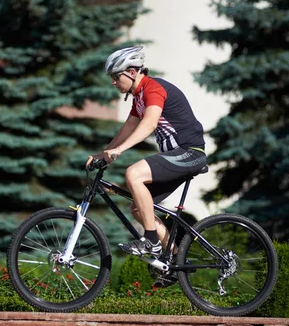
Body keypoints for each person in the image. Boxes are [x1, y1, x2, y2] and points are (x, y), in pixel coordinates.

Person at [86, 46, 207, 286]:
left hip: (189, 153)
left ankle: (150, 240)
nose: (113, 82)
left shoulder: (153, 88)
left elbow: (150, 123)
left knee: (134, 173)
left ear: (131, 72)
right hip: (177, 156)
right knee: (139, 209)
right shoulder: (138, 98)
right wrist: (104, 152)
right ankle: (174, 258)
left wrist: (119, 151)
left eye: (115, 76)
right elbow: (128, 128)